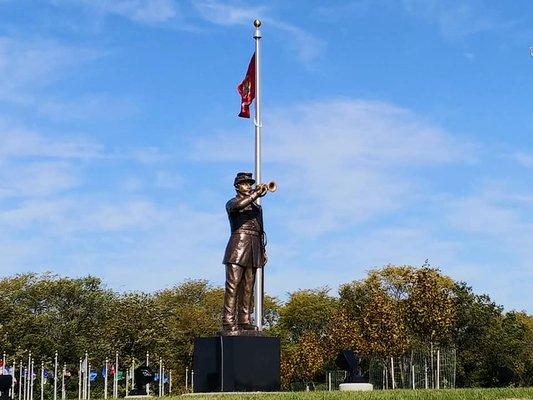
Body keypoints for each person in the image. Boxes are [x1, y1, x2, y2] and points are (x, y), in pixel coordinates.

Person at [222, 172, 269, 334]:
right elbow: (239, 206)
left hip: (254, 245)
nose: (248, 186)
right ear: (237, 186)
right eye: (245, 184)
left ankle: (244, 319)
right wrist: (256, 194)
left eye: (250, 184)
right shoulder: (232, 203)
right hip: (238, 245)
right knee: (233, 285)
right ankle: (228, 320)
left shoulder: (257, 208)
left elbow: (260, 230)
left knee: (249, 286)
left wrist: (262, 250)